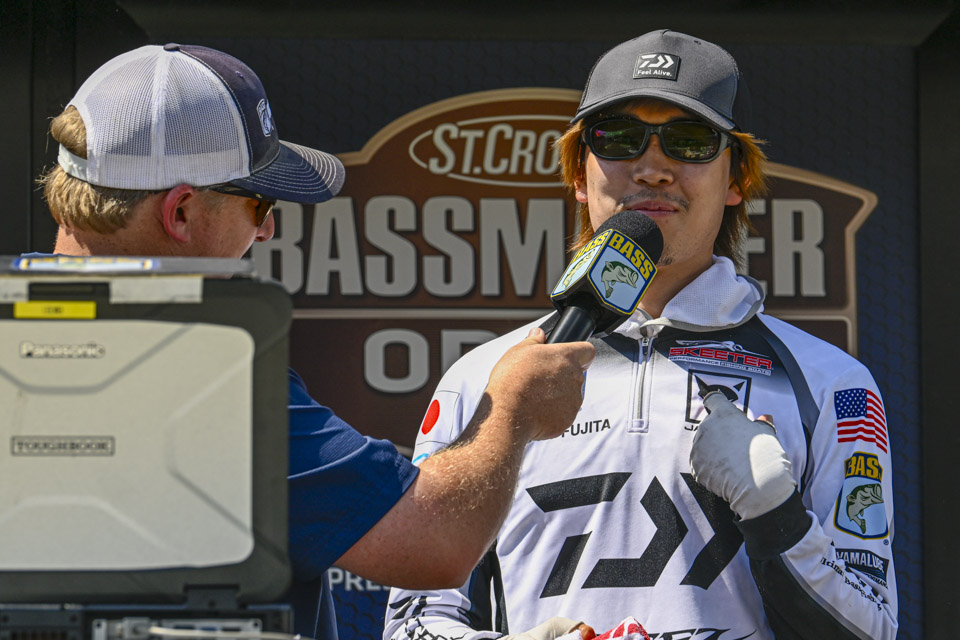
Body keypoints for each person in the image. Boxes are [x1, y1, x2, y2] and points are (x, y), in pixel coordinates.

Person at [36, 43, 596, 640]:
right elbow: (437, 540)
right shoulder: (202, 383)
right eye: (259, 203)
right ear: (181, 213)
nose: (268, 228)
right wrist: (512, 409)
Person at [385, 29, 897, 640]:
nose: (653, 169)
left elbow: (873, 628)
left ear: (736, 179)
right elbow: (413, 621)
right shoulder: (482, 380)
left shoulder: (832, 384)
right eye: (619, 138)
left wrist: (776, 514)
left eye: (690, 141)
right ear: (580, 174)